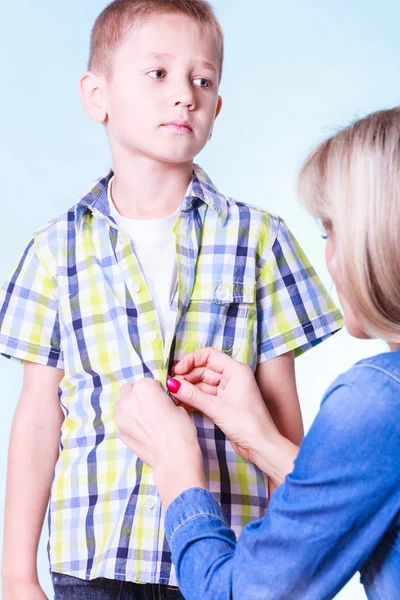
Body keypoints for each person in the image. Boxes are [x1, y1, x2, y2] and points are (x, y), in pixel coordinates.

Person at [0, 1, 341, 599]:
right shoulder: (53, 249)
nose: (184, 94)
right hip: (95, 559)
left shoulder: (259, 237)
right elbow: (37, 417)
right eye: (157, 73)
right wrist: (15, 573)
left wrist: (296, 547)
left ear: (217, 108)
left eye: (202, 80)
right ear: (97, 95)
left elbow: (280, 406)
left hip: (228, 554)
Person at [115, 107, 400, 600]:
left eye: (330, 229)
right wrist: (263, 440)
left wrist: (177, 466)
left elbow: (238, 594)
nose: (328, 255)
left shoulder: (377, 397)